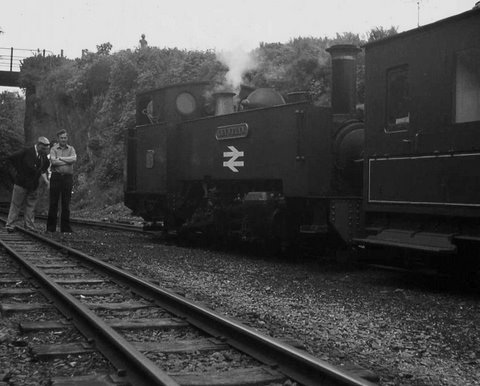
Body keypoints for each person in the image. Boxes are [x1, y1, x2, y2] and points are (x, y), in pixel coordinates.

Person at [5, 137, 51, 232]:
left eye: (46, 149)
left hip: (33, 185)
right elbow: (10, 159)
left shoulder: (43, 156)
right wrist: (15, 175)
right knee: (16, 205)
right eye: (43, 148)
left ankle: (29, 226)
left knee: (31, 206)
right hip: (21, 184)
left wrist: (43, 180)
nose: (44, 150)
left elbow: (44, 167)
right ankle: (10, 225)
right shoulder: (26, 151)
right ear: (38, 145)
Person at [46, 130, 77, 233]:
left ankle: (65, 228)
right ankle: (51, 228)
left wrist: (61, 158)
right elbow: (54, 162)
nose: (63, 139)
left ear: (67, 138)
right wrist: (67, 161)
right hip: (56, 177)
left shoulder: (71, 149)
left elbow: (74, 159)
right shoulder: (53, 149)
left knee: (66, 203)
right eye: (61, 138)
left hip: (67, 178)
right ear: (58, 139)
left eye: (65, 137)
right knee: (53, 203)